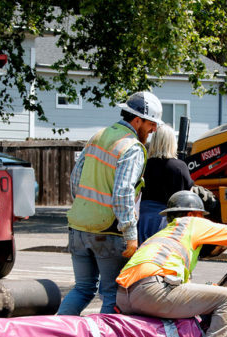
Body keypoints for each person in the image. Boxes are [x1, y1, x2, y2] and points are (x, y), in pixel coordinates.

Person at [116, 190, 227, 337]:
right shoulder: (191, 223)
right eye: (201, 216)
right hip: (151, 290)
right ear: (191, 214)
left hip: (124, 296)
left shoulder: (164, 234)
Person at [58, 91, 163, 316]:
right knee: (111, 295)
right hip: (108, 232)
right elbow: (123, 193)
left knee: (83, 289)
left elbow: (75, 178)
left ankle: (54, 336)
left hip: (78, 227)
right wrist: (131, 235)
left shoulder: (98, 136)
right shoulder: (131, 147)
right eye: (152, 124)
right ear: (138, 120)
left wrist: (86, 210)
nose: (154, 130)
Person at [137, 123, 194, 244]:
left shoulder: (143, 165)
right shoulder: (180, 167)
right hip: (169, 222)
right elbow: (189, 195)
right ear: (172, 143)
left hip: (144, 220)